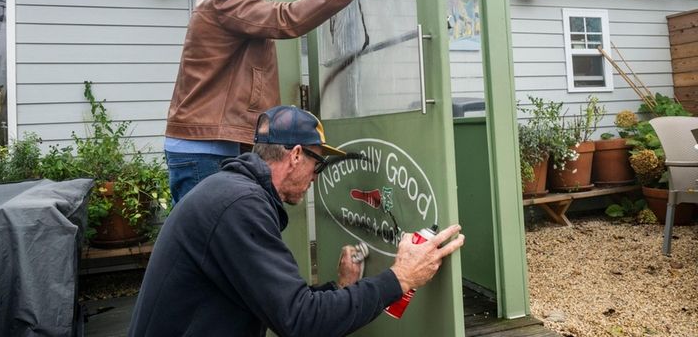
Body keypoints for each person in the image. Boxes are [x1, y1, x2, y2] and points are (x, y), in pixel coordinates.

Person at [129, 105, 465, 336]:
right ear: (295, 156)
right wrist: (401, 277)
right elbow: (301, 322)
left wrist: (343, 289)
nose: (316, 177)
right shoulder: (239, 207)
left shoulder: (234, 193)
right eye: (318, 165)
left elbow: (280, 305)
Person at [165, 0, 381, 204]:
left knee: (219, 242)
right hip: (206, 151)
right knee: (210, 244)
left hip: (209, 147)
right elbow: (287, 18)